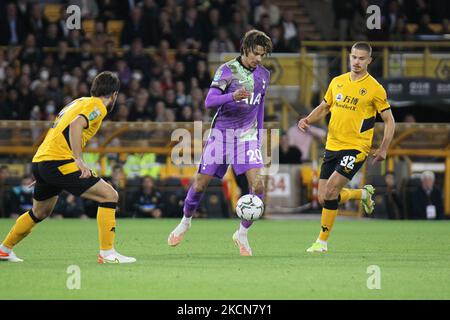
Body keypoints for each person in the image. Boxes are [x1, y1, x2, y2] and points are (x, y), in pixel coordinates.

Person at [0, 71, 136, 263]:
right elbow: (75, 125)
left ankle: (4, 249)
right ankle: (107, 253)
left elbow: (60, 129)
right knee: (109, 195)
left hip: (43, 160)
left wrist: (45, 169)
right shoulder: (98, 105)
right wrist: (78, 159)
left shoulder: (79, 102)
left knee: (39, 212)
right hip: (58, 161)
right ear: (114, 94)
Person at [168, 30, 272, 256]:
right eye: (256, 53)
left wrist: (260, 135)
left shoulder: (264, 75)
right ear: (245, 49)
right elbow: (209, 101)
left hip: (246, 137)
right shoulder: (227, 70)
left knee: (259, 186)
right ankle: (185, 221)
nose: (259, 59)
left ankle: (242, 234)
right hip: (222, 135)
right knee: (200, 184)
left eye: (263, 55)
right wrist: (232, 97)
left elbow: (260, 106)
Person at [298, 42, 396, 253]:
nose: (357, 62)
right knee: (324, 197)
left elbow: (389, 120)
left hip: (356, 147)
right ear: (349, 57)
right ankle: (361, 194)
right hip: (332, 145)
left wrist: (384, 148)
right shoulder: (337, 82)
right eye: (354, 57)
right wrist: (307, 119)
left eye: (361, 59)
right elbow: (324, 107)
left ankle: (321, 242)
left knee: (332, 188)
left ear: (369, 61)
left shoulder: (375, 89)